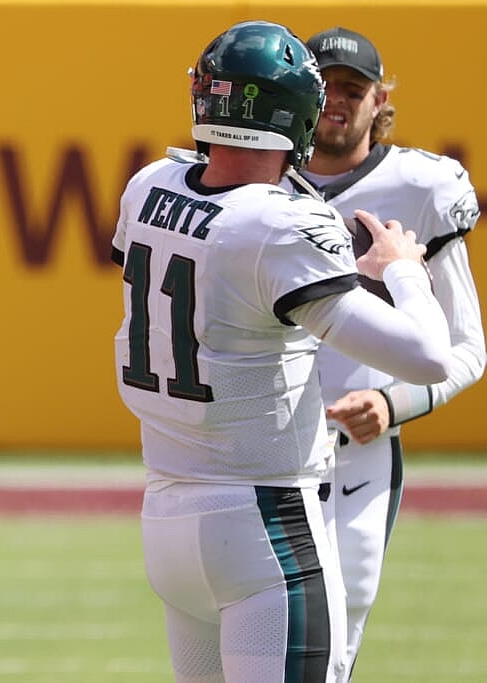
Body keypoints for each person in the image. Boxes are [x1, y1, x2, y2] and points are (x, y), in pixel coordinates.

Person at [112, 20, 453, 683]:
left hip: (167, 511)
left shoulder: (149, 186)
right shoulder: (279, 225)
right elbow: (429, 357)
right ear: (293, 114)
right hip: (263, 523)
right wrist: (404, 268)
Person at [284, 27, 486, 677]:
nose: (338, 102)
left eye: (354, 88)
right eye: (326, 88)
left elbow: (466, 349)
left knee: (329, 652)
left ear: (380, 99)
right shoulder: (257, 182)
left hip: (355, 459)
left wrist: (391, 402)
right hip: (259, 452)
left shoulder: (421, 187)